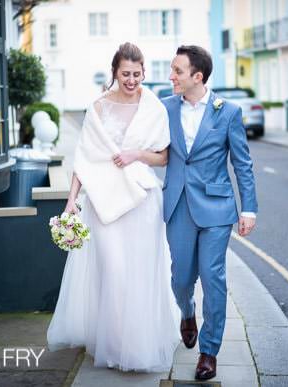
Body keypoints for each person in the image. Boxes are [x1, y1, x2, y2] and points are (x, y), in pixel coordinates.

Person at [47, 42, 180, 372]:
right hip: (104, 201)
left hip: (142, 200)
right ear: (114, 73)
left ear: (144, 73)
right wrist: (70, 203)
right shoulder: (99, 107)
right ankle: (116, 344)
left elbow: (163, 157)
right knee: (114, 272)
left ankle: (136, 347)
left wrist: (135, 155)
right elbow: (84, 159)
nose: (132, 80)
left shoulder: (154, 108)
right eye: (125, 74)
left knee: (140, 275)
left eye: (137, 74)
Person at [161, 45, 258, 380]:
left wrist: (250, 210)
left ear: (197, 76)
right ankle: (187, 313)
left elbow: (242, 163)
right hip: (178, 206)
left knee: (214, 278)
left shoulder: (227, 111)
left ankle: (209, 351)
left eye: (177, 71)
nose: (170, 76)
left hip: (217, 208)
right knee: (180, 278)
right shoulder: (164, 108)